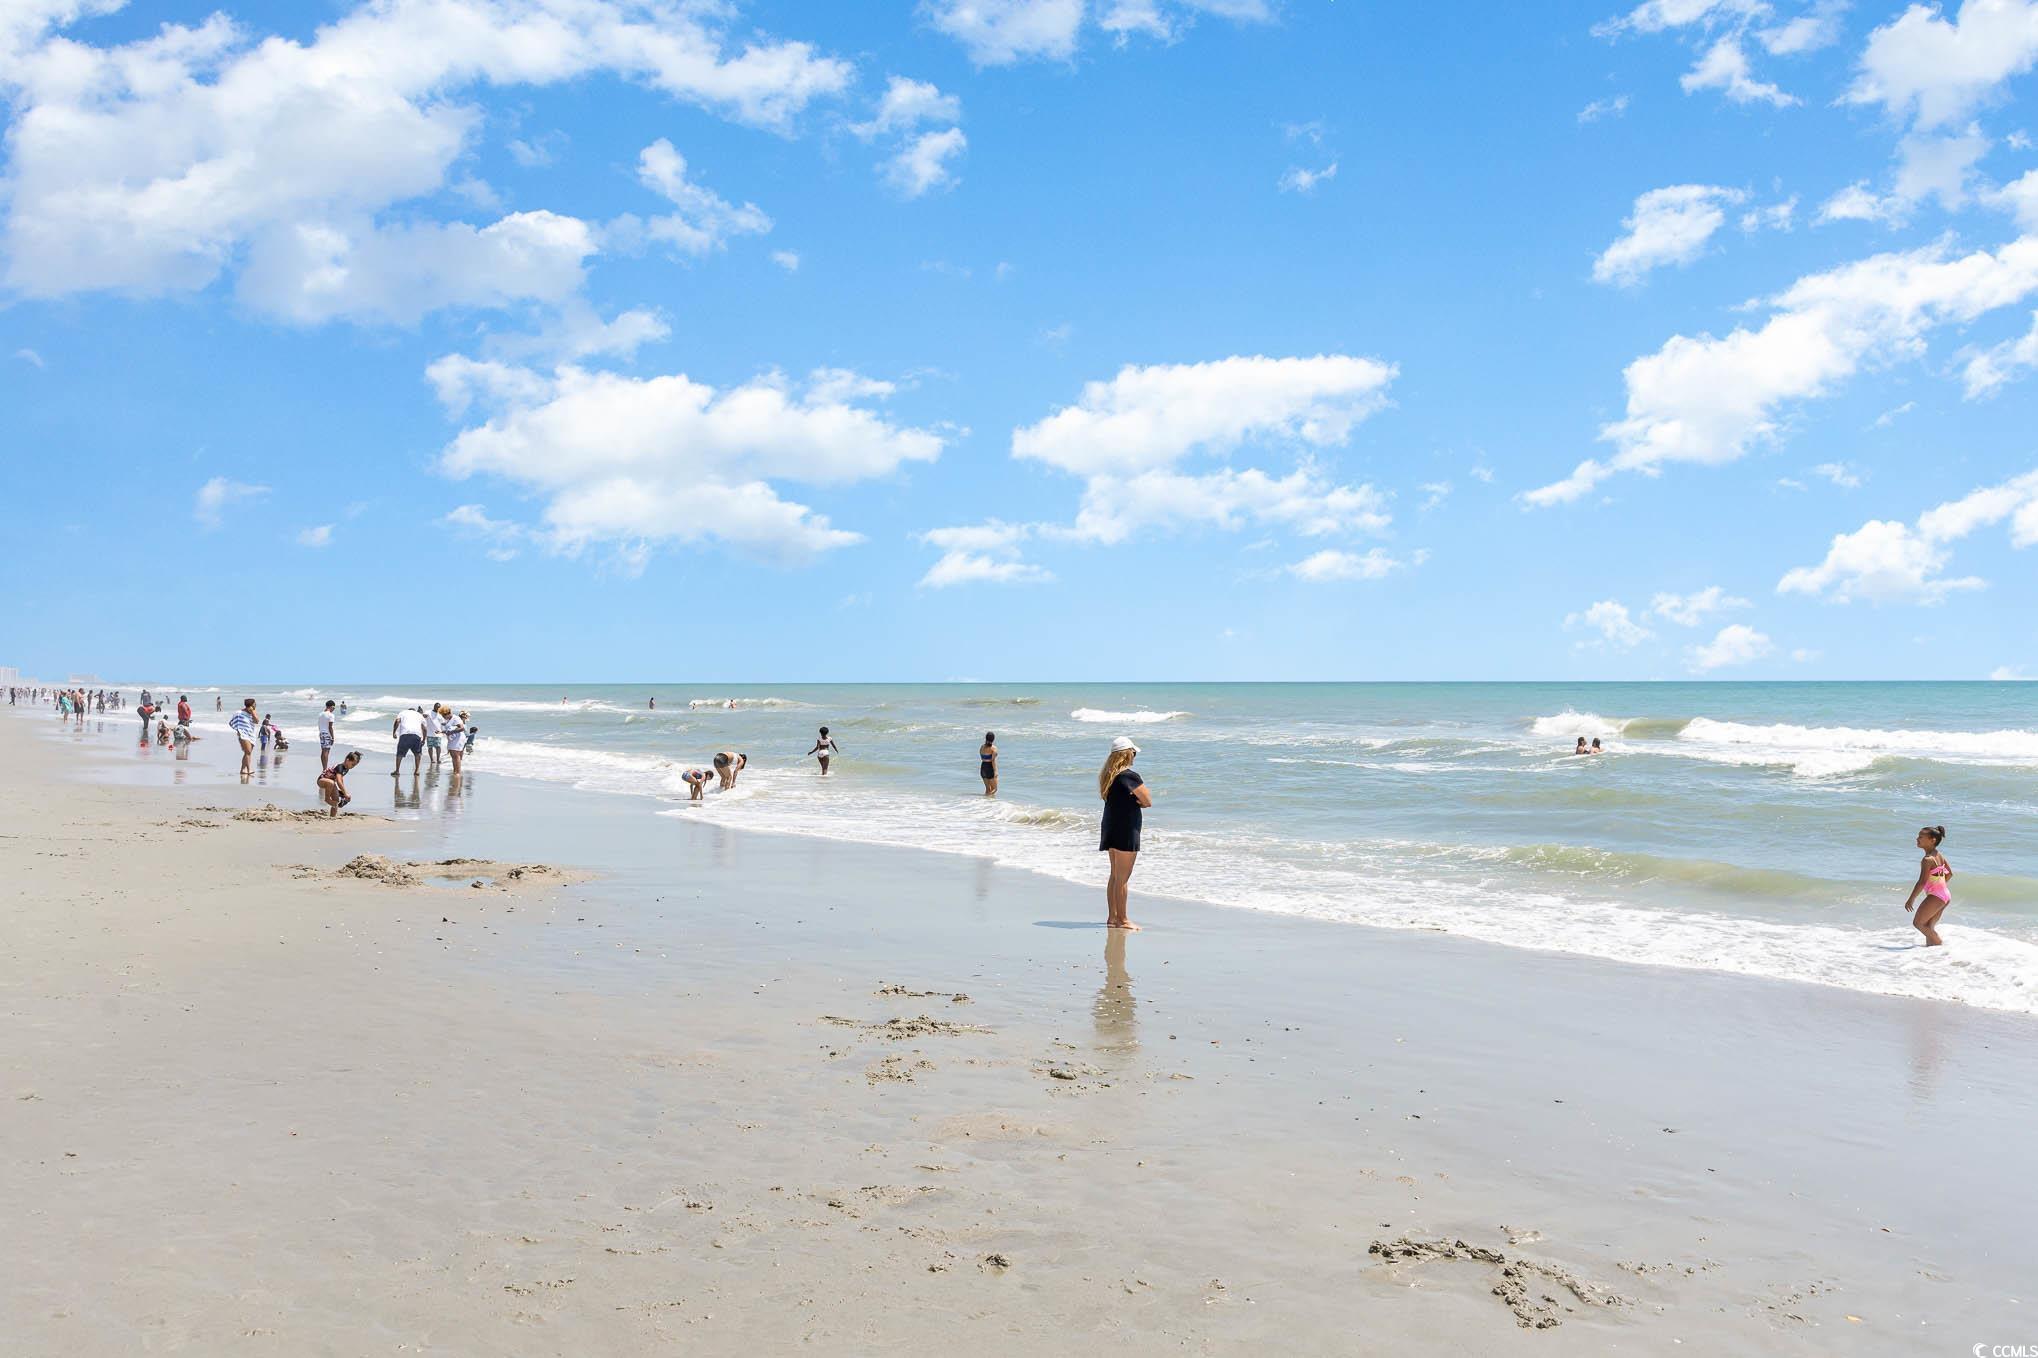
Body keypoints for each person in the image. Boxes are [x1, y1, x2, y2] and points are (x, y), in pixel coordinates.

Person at [1098, 736, 1151, 931]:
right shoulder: (1129, 776)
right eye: (1133, 753)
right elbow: (1147, 801)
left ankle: (1113, 917)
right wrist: (1137, 803)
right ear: (1128, 754)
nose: (1134, 756)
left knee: (1114, 875)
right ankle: (1123, 919)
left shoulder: (1108, 776)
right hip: (1126, 828)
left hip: (1111, 826)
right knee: (1122, 878)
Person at [1902, 825, 1954, 947]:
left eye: (1921, 837)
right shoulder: (1938, 855)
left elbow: (1921, 882)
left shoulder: (1927, 859)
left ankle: (1941, 946)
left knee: (1918, 923)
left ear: (1932, 840)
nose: (1917, 839)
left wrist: (1911, 899)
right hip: (1944, 895)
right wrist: (1939, 887)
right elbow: (1950, 874)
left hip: (1937, 896)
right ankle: (1932, 951)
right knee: (1928, 926)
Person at [317, 751, 361, 818]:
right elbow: (338, 781)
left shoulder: (346, 769)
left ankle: (332, 817)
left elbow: (341, 780)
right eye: (352, 764)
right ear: (347, 760)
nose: (353, 767)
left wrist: (344, 792)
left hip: (331, 784)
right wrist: (345, 793)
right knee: (331, 783)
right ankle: (327, 799)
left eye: (354, 765)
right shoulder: (340, 767)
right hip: (322, 780)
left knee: (336, 800)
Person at [391, 705, 426, 778]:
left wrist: (394, 732)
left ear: (408, 710)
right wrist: (424, 739)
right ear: (414, 711)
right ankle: (417, 770)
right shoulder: (419, 715)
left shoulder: (403, 712)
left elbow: (397, 721)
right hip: (416, 736)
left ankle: (397, 770)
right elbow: (424, 728)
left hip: (405, 735)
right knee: (417, 754)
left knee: (400, 754)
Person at [228, 698, 258, 779]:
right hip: (243, 734)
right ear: (250, 705)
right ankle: (248, 769)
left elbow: (257, 721)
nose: (255, 705)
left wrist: (252, 712)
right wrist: (238, 729)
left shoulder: (253, 711)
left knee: (248, 753)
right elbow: (231, 722)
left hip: (251, 734)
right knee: (248, 751)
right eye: (254, 704)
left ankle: (242, 769)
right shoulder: (239, 713)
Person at [317, 700, 338, 770]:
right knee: (326, 751)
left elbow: (319, 725)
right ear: (332, 706)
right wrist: (332, 737)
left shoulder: (320, 714)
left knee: (323, 751)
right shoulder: (331, 715)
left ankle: (324, 768)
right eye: (334, 708)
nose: (333, 709)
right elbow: (330, 727)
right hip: (327, 734)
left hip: (321, 733)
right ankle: (325, 769)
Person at [445, 709, 467, 775]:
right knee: (454, 756)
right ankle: (455, 771)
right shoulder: (450, 719)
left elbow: (462, 728)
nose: (443, 717)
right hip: (453, 739)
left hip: (458, 739)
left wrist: (451, 732)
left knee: (456, 755)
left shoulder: (456, 719)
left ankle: (458, 772)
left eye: (444, 715)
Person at [979, 731, 999, 796]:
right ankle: (986, 798)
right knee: (995, 789)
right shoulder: (994, 748)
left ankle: (985, 800)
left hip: (983, 767)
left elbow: (982, 758)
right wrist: (995, 771)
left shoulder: (982, 747)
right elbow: (993, 761)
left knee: (988, 789)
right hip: (990, 768)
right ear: (993, 739)